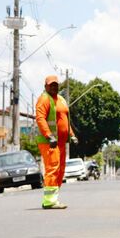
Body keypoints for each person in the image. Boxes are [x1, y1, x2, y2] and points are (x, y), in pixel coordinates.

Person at [36, 75, 78, 209]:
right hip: (49, 141)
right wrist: (49, 136)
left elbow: (65, 119)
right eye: (51, 85)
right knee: (52, 168)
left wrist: (72, 135)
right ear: (45, 86)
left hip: (60, 142)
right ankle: (49, 201)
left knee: (60, 170)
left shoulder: (61, 99)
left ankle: (54, 198)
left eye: (56, 85)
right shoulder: (44, 99)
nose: (54, 87)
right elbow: (40, 118)